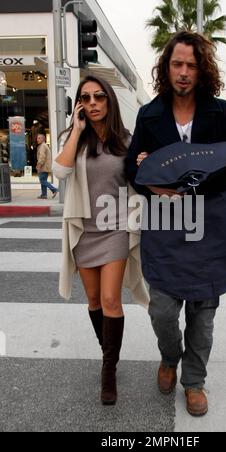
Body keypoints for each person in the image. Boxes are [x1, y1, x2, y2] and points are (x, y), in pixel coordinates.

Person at [126, 31, 226, 417]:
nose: (184, 72)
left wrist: (197, 179)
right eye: (177, 64)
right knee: (162, 310)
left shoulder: (223, 113)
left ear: (202, 70)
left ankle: (194, 381)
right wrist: (146, 172)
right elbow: (131, 169)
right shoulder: (149, 115)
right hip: (165, 228)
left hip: (211, 231)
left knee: (202, 316)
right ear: (167, 68)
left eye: (192, 65)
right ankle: (170, 357)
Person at [53, 75, 131, 406]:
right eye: (85, 98)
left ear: (109, 101)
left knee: (112, 300)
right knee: (95, 301)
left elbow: (140, 180)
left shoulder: (126, 140)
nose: (93, 102)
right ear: (80, 105)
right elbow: (60, 172)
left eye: (99, 96)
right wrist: (76, 130)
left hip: (117, 228)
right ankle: (108, 353)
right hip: (84, 232)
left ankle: (108, 371)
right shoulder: (73, 138)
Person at [36, 133, 58, 199]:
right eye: (37, 138)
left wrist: (39, 165)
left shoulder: (43, 146)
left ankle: (54, 189)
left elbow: (42, 157)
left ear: (43, 139)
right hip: (45, 166)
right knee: (43, 180)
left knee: (42, 180)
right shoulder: (43, 145)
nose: (37, 139)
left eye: (39, 138)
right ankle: (44, 195)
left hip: (43, 166)